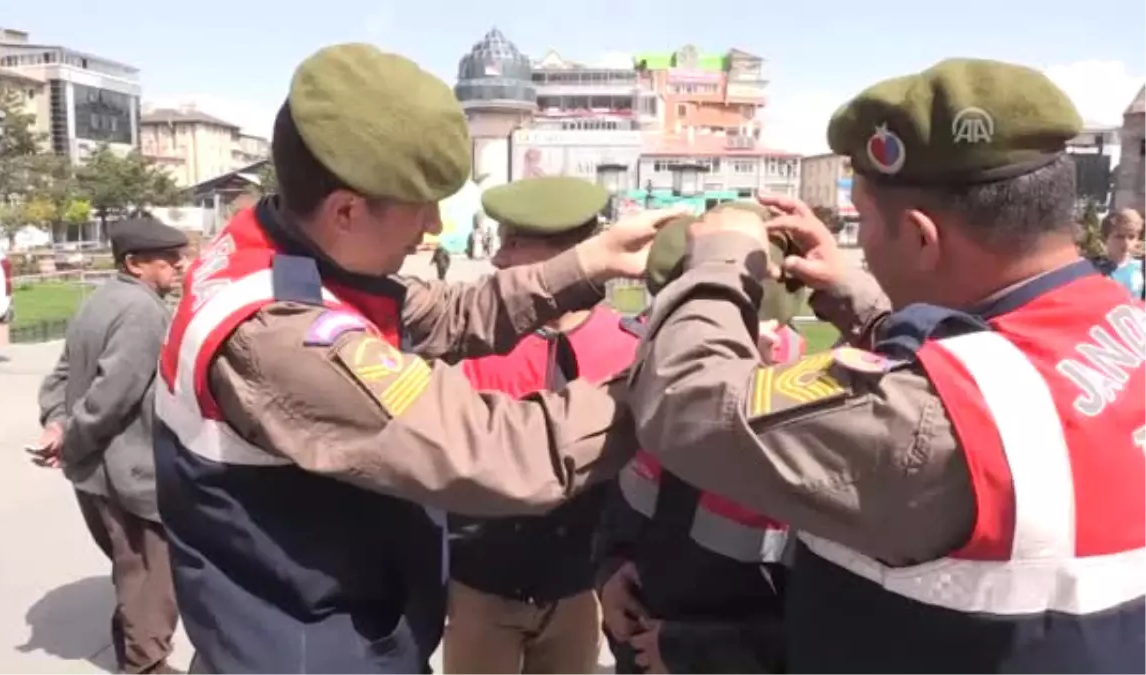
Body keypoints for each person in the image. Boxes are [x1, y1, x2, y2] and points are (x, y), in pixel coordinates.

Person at [152, 43, 680, 675]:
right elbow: (501, 453)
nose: (432, 227)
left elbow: (444, 313)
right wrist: (674, 382)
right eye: (420, 204)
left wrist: (588, 263)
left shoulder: (282, 253)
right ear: (346, 209)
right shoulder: (281, 334)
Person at [626, 57, 1146, 675]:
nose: (862, 245)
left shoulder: (937, 423)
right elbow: (1005, 374)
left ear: (925, 238)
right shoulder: (1120, 318)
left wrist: (721, 254)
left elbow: (687, 404)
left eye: (866, 221)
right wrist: (867, 305)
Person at [597, 209, 804, 675]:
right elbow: (617, 516)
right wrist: (609, 574)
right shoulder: (651, 395)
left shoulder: (814, 429)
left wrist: (689, 651)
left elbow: (829, 626)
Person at [442, 176, 629, 675]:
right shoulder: (474, 343)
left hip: (578, 589)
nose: (498, 259)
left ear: (570, 254)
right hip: (482, 585)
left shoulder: (631, 346)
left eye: (516, 243)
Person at [36, 216, 189, 675]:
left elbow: (59, 378)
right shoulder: (144, 311)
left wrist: (57, 425)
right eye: (169, 259)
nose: (180, 265)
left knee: (130, 568)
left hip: (95, 476)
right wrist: (72, 441)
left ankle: (131, 648)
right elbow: (110, 397)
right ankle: (145, 665)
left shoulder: (98, 299)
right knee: (151, 577)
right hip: (128, 474)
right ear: (135, 263)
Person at [1091, 208, 1144, 297]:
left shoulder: (1141, 268)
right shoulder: (1093, 270)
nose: (1126, 243)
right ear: (1105, 238)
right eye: (1119, 237)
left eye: (1131, 237)